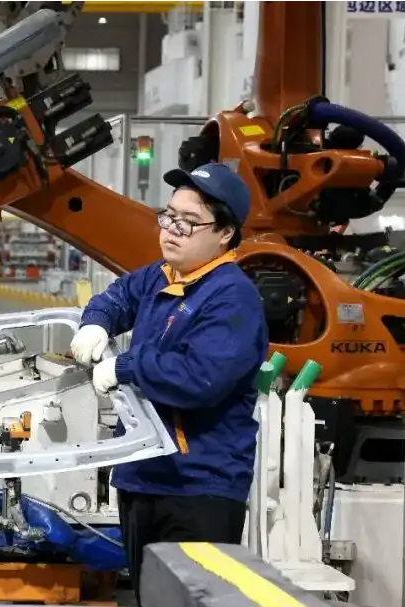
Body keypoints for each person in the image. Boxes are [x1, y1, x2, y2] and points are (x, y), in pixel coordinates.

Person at [68, 162, 269, 605]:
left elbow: (201, 377)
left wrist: (127, 367)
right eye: (170, 216)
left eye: (189, 221)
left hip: (198, 487)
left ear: (225, 234)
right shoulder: (162, 276)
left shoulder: (232, 297)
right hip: (142, 478)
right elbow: (117, 297)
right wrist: (96, 323)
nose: (173, 229)